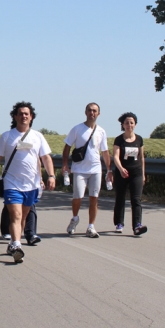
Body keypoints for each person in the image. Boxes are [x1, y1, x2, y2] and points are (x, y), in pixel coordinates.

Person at [0, 102, 56, 263]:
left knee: (23, 217)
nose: (24, 116)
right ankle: (16, 245)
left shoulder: (38, 136)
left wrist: (51, 175)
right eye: (20, 113)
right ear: (15, 116)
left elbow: (46, 157)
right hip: (12, 183)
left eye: (27, 113)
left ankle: (14, 243)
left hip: (32, 184)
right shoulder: (7, 136)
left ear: (31, 117)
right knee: (16, 214)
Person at [61, 102, 113, 238]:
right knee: (77, 197)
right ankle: (75, 218)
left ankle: (91, 226)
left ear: (98, 114)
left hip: (96, 169)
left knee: (94, 198)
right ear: (85, 112)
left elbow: (105, 151)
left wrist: (109, 170)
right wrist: (65, 164)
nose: (92, 113)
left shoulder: (101, 131)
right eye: (90, 110)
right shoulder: (77, 129)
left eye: (95, 111)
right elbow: (67, 147)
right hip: (79, 169)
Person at [112, 112, 148, 236]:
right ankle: (119, 223)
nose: (129, 125)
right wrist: (121, 169)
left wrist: (143, 174)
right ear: (123, 125)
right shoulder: (119, 139)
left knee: (136, 199)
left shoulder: (139, 139)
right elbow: (115, 156)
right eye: (126, 123)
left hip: (136, 173)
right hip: (122, 173)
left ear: (135, 125)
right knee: (120, 198)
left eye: (131, 123)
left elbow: (141, 157)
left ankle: (137, 225)